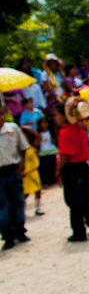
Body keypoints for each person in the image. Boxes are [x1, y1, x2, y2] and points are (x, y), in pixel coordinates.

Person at [55, 99, 89, 242]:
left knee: (75, 202)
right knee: (88, 199)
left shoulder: (64, 132)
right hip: (84, 166)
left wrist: (58, 170)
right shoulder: (80, 129)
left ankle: (79, 232)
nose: (55, 118)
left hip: (71, 169)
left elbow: (65, 155)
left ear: (65, 115)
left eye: (57, 115)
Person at [0, 101, 30, 250]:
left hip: (13, 169)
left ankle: (20, 231)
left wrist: (22, 163)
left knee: (18, 202)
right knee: (3, 206)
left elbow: (23, 147)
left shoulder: (13, 128)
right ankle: (7, 235)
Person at [19, 127, 42, 216]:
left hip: (33, 172)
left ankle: (37, 208)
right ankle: (22, 211)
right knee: (25, 194)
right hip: (25, 174)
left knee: (38, 190)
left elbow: (38, 137)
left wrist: (25, 127)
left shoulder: (32, 146)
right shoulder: (20, 150)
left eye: (26, 137)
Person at [36, 116, 57, 187]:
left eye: (45, 122)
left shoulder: (51, 132)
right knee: (42, 167)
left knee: (49, 166)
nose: (44, 125)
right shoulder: (38, 134)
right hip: (42, 152)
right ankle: (44, 182)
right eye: (42, 123)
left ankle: (50, 181)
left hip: (51, 151)